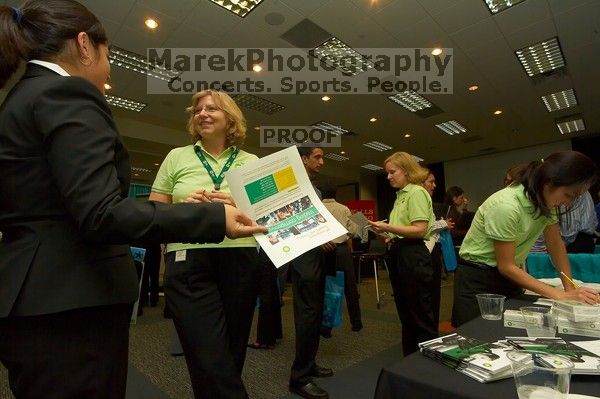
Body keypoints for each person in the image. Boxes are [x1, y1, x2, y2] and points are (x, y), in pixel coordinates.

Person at [0, 2, 265, 398]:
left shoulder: (23, 96)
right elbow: (101, 212)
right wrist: (213, 218)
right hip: (71, 300)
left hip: (43, 297)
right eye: (109, 57)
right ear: (85, 45)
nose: (109, 72)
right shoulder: (66, 93)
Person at [149, 90, 261, 399]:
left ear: (231, 119)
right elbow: (155, 208)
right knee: (206, 351)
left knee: (232, 350)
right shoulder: (177, 156)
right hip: (188, 259)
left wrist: (237, 203)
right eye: (198, 110)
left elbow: (269, 213)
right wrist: (183, 205)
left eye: (212, 109)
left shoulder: (252, 162)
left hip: (240, 259)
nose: (203, 114)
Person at [452, 151, 600, 327]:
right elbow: (506, 266)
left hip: (509, 276)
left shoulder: (544, 201)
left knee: (510, 333)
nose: (567, 203)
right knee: (477, 335)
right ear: (549, 182)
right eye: (568, 195)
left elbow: (555, 244)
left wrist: (570, 286)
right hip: (478, 279)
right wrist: (560, 295)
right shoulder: (506, 205)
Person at [368, 152, 437, 356]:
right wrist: (384, 231)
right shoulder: (401, 195)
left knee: (420, 314)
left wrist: (388, 226)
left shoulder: (416, 192)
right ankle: (411, 361)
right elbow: (399, 231)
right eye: (387, 173)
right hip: (400, 253)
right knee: (406, 314)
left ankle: (428, 366)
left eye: (392, 172)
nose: (388, 177)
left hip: (413, 254)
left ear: (406, 171)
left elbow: (419, 230)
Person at [288, 145, 334, 399]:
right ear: (303, 159)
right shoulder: (292, 185)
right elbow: (291, 222)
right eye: (317, 157)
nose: (322, 162)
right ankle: (299, 378)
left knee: (314, 311)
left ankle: (309, 363)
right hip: (302, 255)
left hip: (315, 255)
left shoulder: (312, 187)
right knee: (306, 313)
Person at [318, 182, 363, 338]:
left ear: (321, 194)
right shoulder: (344, 208)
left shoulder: (317, 208)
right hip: (342, 250)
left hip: (324, 251)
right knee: (350, 287)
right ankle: (356, 323)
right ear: (335, 194)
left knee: (328, 288)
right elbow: (353, 231)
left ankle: (326, 327)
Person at [421, 170, 455, 324]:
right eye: (431, 182)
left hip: (430, 250)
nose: (434, 185)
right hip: (424, 253)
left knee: (432, 296)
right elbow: (422, 227)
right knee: (428, 296)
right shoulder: (421, 199)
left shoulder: (426, 200)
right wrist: (443, 224)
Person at [247, 249, 283, 350]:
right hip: (272, 251)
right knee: (272, 291)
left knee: (266, 293)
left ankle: (264, 340)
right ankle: (273, 335)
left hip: (264, 250)